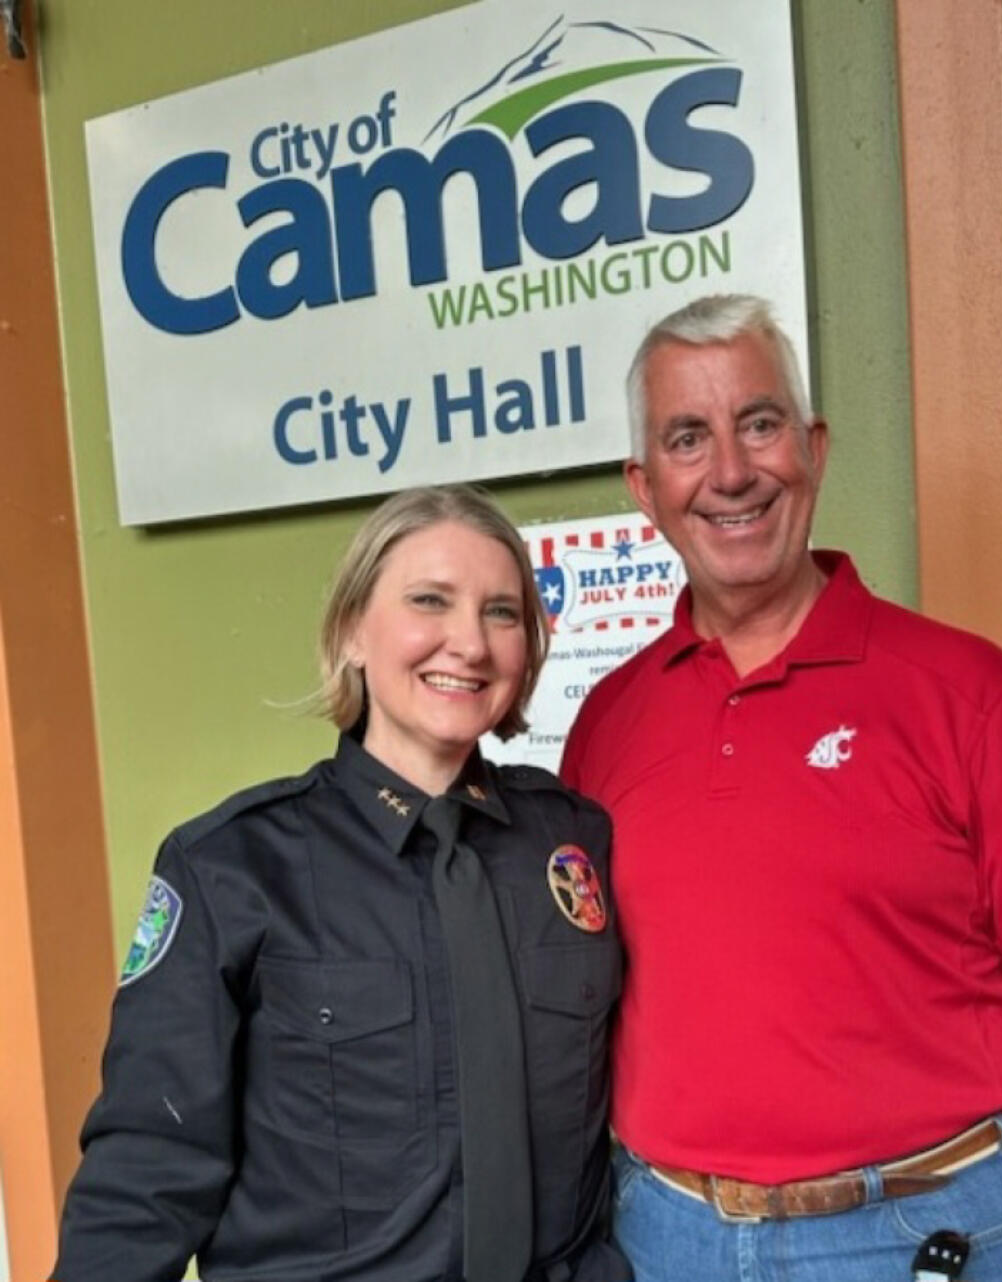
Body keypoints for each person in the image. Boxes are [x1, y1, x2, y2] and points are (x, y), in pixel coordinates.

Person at [560, 295, 1002, 1282]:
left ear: (813, 447)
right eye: (686, 438)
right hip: (667, 1240)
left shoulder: (966, 696)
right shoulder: (606, 726)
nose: (732, 471)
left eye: (759, 422)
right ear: (644, 485)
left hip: (930, 1236)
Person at [53, 485, 628, 1282]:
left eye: (502, 612)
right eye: (431, 600)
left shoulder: (572, 841)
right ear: (353, 629)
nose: (469, 642)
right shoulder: (232, 868)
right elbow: (151, 1161)